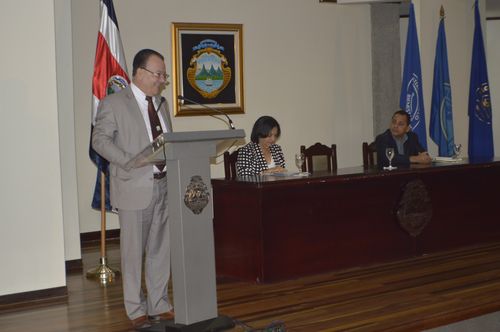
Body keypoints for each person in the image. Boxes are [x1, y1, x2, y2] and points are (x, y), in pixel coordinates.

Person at [92, 49, 174, 330]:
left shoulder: (162, 105)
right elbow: (99, 141)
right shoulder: (114, 103)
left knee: (161, 249)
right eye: (158, 74)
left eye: (164, 75)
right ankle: (135, 308)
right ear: (139, 73)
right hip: (133, 186)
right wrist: (127, 161)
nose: (162, 80)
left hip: (163, 185)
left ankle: (159, 303)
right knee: (132, 252)